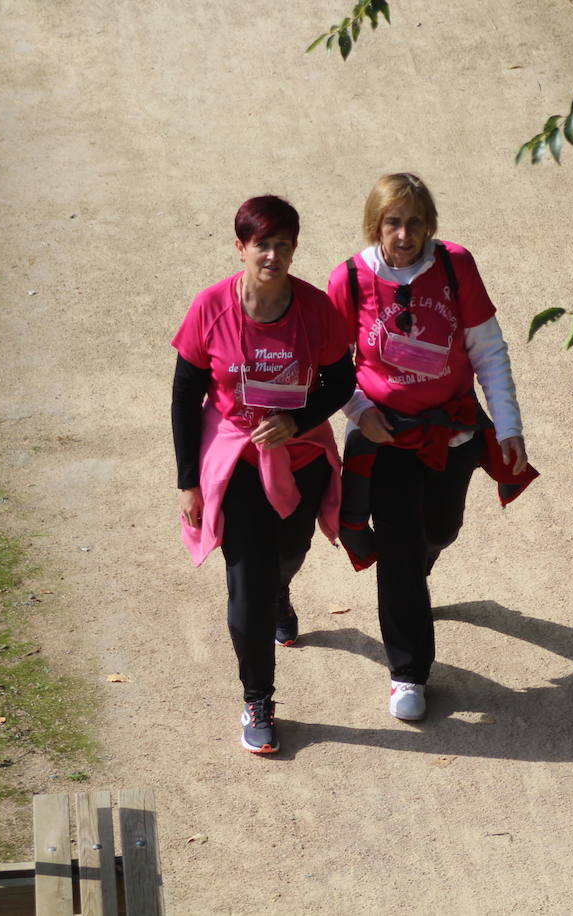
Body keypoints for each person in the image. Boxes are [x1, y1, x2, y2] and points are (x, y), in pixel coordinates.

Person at [326, 172, 538, 722]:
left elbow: (488, 350)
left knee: (440, 530)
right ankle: (408, 672)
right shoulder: (348, 278)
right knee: (398, 550)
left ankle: (416, 570)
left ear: (429, 225)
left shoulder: (454, 266)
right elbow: (332, 368)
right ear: (376, 225)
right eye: (392, 222)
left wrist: (510, 426)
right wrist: (360, 414)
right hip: (387, 436)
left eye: (414, 222)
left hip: (454, 429)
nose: (403, 233)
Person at [171, 195, 354, 754]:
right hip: (238, 462)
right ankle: (258, 696)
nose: (272, 255)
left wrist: (296, 420)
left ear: (294, 249)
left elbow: (341, 382)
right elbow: (184, 395)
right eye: (261, 245)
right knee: (245, 581)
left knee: (290, 550)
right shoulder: (211, 308)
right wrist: (188, 481)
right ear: (241, 248)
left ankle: (281, 589)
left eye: (283, 244)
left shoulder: (317, 311)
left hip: (300, 458)